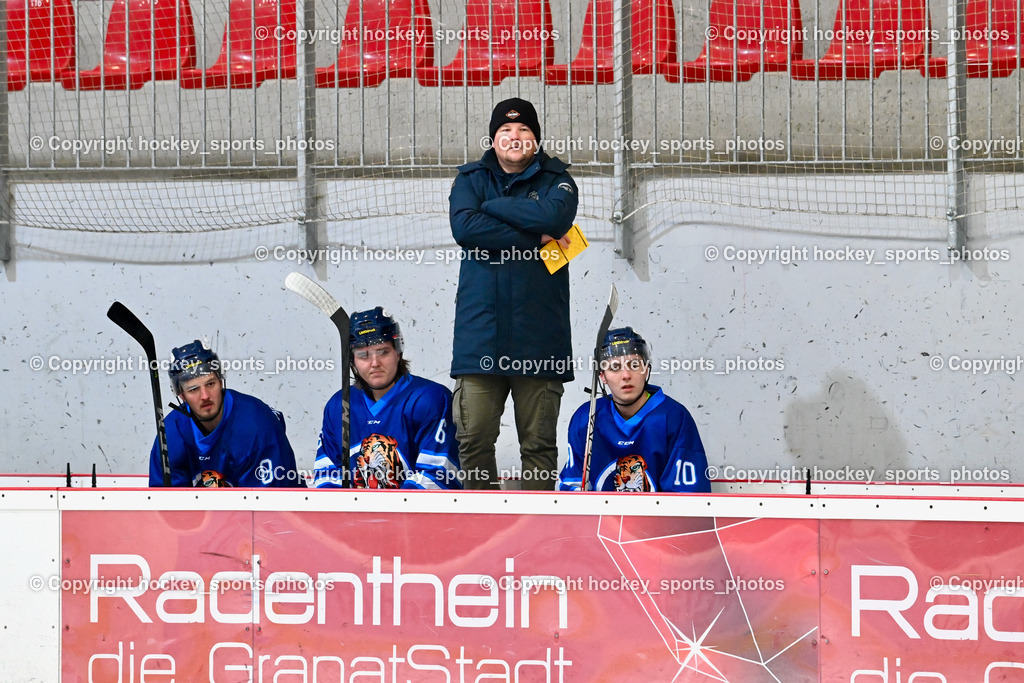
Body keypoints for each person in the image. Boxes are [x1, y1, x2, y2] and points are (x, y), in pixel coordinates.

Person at [449, 97, 579, 491]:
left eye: (524, 130)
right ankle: (483, 530)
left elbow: (555, 219)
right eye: (505, 131)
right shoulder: (469, 180)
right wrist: (532, 232)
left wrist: (493, 207)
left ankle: (534, 537)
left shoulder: (559, 180)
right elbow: (466, 229)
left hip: (539, 337)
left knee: (539, 446)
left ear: (536, 140)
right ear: (493, 139)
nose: (514, 136)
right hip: (479, 336)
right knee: (472, 439)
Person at [314, 307, 461, 489]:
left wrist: (391, 513)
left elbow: (437, 475)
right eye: (363, 355)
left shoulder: (430, 399)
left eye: (383, 352)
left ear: (398, 353)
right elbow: (326, 475)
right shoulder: (339, 406)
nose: (375, 363)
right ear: (352, 360)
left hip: (414, 515)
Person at [557, 327, 711, 493]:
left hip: (658, 518)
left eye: (634, 364)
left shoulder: (674, 418)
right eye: (615, 367)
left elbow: (689, 497)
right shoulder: (586, 418)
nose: (626, 375)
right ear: (602, 376)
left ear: (646, 369)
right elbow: (571, 490)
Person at [149, 340, 303, 487]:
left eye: (210, 384)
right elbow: (167, 508)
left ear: (221, 382)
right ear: (181, 395)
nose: (205, 396)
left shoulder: (258, 425)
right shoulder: (170, 435)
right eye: (193, 389)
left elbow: (268, 507)